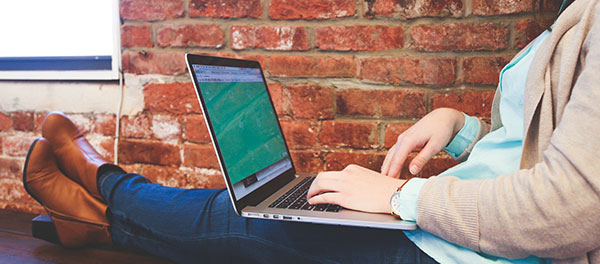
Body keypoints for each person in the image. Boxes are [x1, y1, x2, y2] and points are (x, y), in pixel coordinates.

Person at [22, 0, 600, 263]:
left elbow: (571, 210)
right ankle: (91, 221)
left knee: (228, 219)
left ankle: (105, 184)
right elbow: (536, 144)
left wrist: (403, 197)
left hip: (468, 247)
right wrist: (463, 130)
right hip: (461, 224)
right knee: (253, 208)